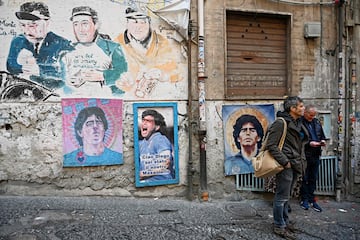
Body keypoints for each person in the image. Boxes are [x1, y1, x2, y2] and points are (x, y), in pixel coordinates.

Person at [265, 96, 309, 239]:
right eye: (301, 106)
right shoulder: (281, 123)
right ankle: (279, 225)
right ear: (293, 109)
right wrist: (285, 162)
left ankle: (284, 221)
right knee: (281, 196)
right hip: (287, 164)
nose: (304, 108)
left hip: (296, 163)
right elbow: (271, 145)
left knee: (286, 196)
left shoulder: (298, 122)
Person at [114, 7, 181, 97]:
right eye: (134, 22)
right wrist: (122, 80)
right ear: (127, 23)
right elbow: (111, 74)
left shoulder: (162, 42)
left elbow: (177, 72)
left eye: (143, 22)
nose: (138, 27)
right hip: (129, 98)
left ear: (149, 23)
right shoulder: (117, 43)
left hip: (159, 97)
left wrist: (162, 75)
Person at [61, 6, 128, 96]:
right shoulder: (67, 50)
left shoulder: (112, 48)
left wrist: (103, 76)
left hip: (104, 102)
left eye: (85, 24)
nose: (80, 29)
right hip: (73, 102)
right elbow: (60, 79)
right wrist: (69, 81)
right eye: (76, 24)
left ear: (96, 25)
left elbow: (124, 75)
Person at [6, 1, 73, 89]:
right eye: (22, 25)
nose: (26, 31)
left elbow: (66, 76)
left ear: (47, 22)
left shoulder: (63, 44)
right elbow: (10, 65)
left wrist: (40, 71)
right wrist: (23, 68)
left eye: (33, 25)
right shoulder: (18, 40)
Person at [300, 105, 326, 212]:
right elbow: (299, 139)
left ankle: (312, 200)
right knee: (304, 178)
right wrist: (309, 143)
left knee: (313, 178)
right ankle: (304, 200)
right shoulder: (300, 123)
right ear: (305, 113)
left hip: (316, 154)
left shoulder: (316, 122)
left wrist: (323, 141)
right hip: (305, 155)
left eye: (314, 115)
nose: (312, 117)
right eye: (310, 115)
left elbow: (322, 135)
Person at [138, 109, 174, 182]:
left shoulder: (160, 139)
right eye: (143, 120)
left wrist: (143, 174)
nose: (144, 123)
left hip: (161, 181)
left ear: (157, 127)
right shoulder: (141, 143)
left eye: (148, 121)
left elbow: (165, 163)